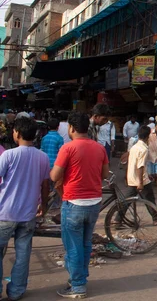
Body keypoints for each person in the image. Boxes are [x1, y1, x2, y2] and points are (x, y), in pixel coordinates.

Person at [50, 111, 109, 299]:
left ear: (71, 128)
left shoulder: (68, 148)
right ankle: (80, 280)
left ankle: (77, 286)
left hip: (74, 203)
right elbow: (105, 175)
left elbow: (54, 176)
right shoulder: (99, 148)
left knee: (74, 247)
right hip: (93, 204)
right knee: (84, 244)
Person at [0, 117, 51, 301]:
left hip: (6, 213)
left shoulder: (8, 155)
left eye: (14, 131)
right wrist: (43, 206)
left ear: (18, 134)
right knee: (23, 253)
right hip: (28, 214)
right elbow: (46, 186)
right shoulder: (42, 157)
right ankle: (16, 292)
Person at [124, 125, 157, 225]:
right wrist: (140, 182)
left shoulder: (135, 147)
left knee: (127, 201)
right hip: (140, 179)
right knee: (150, 198)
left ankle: (118, 218)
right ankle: (156, 219)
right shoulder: (143, 149)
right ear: (147, 137)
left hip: (132, 177)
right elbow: (140, 166)